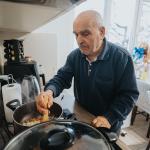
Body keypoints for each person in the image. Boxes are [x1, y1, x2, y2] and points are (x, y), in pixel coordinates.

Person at [36, 10, 139, 135]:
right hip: (82, 117)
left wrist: (109, 117)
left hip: (108, 125)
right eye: (76, 34)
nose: (79, 40)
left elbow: (129, 95)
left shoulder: (121, 58)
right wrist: (49, 91)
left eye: (85, 34)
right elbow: (62, 78)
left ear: (101, 32)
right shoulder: (74, 56)